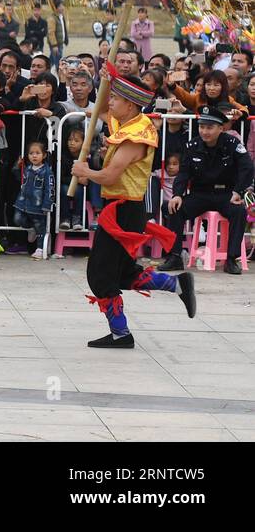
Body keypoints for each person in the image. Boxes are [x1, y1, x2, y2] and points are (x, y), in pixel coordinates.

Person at [70, 69, 195, 348]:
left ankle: (121, 334)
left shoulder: (136, 134)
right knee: (124, 273)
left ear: (130, 104)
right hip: (121, 208)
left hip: (125, 210)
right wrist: (107, 79)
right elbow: (100, 107)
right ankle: (177, 285)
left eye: (116, 98)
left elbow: (110, 176)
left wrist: (86, 171)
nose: (110, 102)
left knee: (100, 275)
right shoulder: (126, 122)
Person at [159, 104, 252, 276]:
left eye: (209, 127)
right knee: (172, 208)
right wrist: (178, 195)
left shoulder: (232, 143)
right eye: (202, 127)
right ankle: (175, 256)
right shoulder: (192, 145)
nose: (204, 131)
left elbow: (247, 168)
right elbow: (183, 173)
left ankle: (231, 259)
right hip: (200, 194)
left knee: (239, 211)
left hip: (226, 194)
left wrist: (238, 192)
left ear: (220, 128)